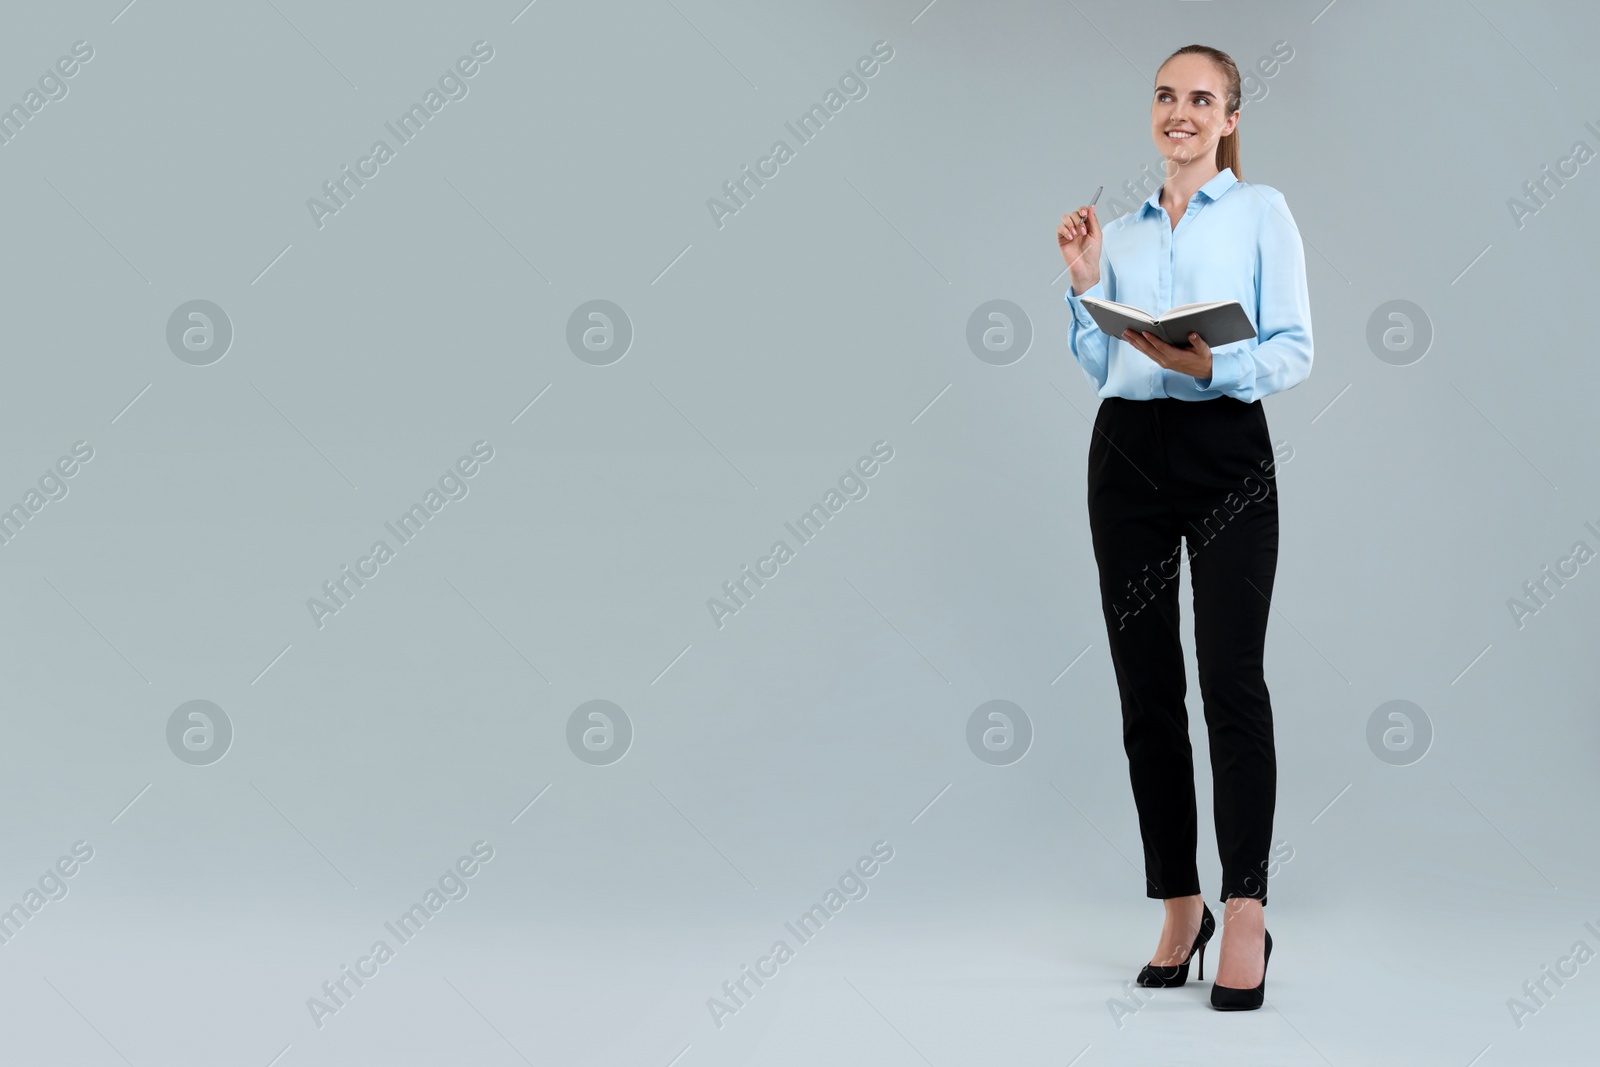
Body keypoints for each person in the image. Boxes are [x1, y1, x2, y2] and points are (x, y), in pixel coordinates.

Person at [1054, 43, 1312, 1011]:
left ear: (1230, 117)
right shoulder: (1117, 230)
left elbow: (1294, 346)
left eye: (1200, 99)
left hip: (1226, 449)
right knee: (1144, 686)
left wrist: (1211, 369)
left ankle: (1245, 907)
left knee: (1231, 677)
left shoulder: (1259, 211)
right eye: (1165, 96)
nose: (1180, 112)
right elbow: (1098, 358)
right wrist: (1083, 278)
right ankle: (1179, 901)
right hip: (1125, 453)